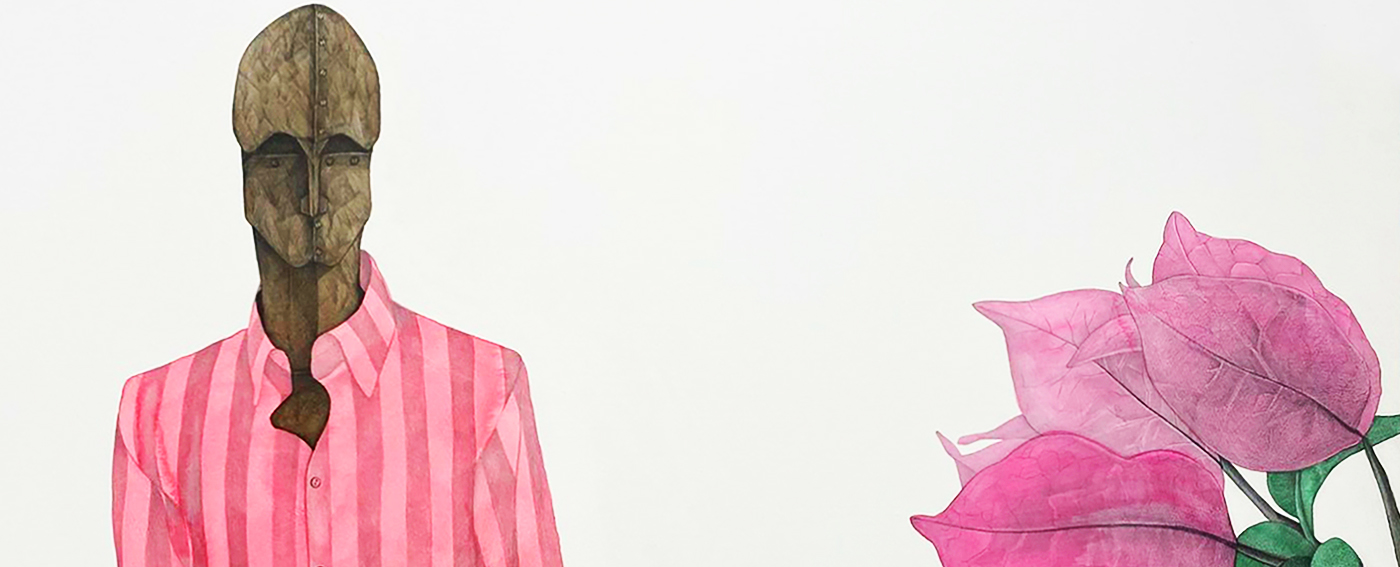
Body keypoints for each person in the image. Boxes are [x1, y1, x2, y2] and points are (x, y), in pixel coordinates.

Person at [111, 5, 563, 566]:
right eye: (280, 158)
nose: (314, 197)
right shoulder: (157, 416)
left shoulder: (485, 392)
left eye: (342, 156)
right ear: (244, 176)